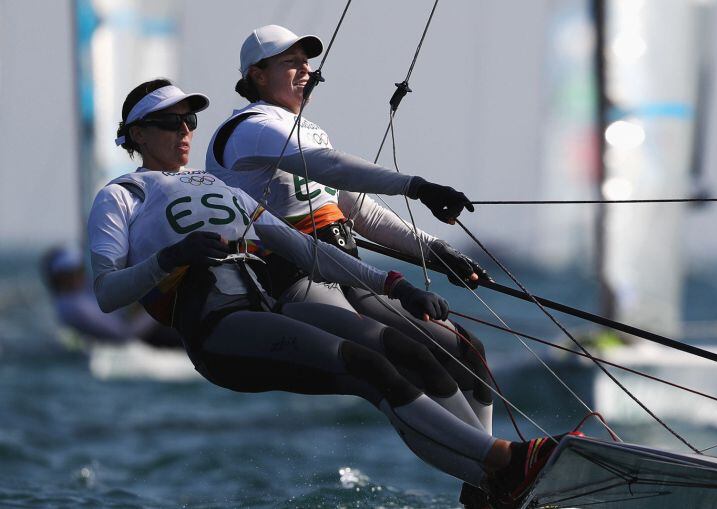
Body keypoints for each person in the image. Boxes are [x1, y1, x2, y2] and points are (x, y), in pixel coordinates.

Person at [91, 79, 577, 508]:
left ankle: (495, 483)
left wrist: (396, 284)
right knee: (369, 364)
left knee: (388, 361)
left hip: (262, 310)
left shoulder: (218, 188)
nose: (185, 131)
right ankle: (503, 464)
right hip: (216, 329)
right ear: (137, 134)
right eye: (169, 122)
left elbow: (304, 249)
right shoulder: (122, 195)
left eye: (190, 119)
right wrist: (168, 259)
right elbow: (108, 293)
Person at [205, 25, 496, 507]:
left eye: (307, 62)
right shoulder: (251, 127)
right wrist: (418, 186)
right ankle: (494, 468)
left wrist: (438, 251)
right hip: (296, 281)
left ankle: (484, 480)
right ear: (257, 75)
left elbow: (359, 211)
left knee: (466, 349)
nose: (305, 71)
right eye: (290, 63)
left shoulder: (307, 130)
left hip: (351, 274)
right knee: (403, 354)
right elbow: (331, 167)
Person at [40, 245, 182, 348]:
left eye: (78, 269)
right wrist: (164, 298)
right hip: (147, 338)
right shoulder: (71, 305)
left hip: (144, 328)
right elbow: (125, 335)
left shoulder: (83, 290)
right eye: (69, 272)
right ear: (58, 278)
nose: (77, 275)